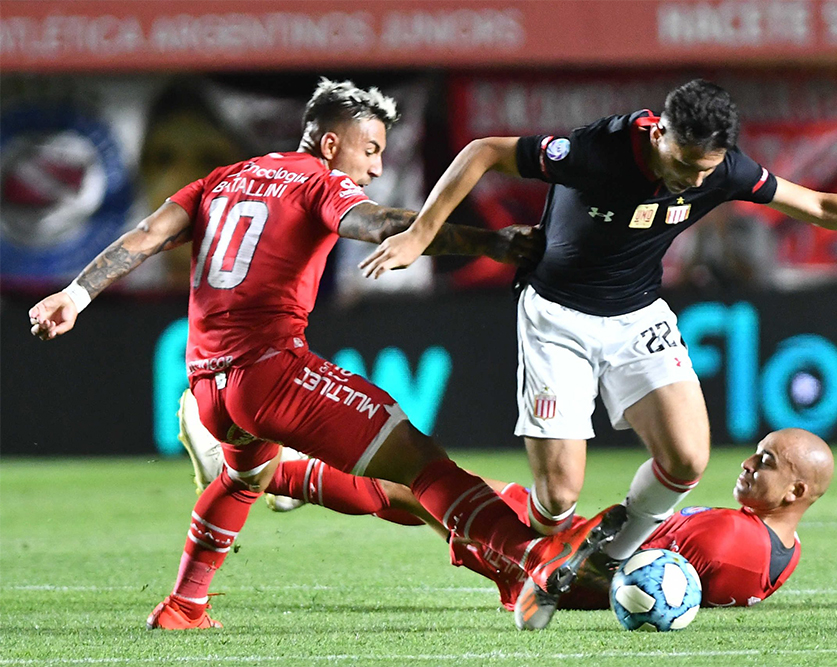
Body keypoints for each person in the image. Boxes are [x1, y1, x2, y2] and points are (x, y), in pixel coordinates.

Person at [28, 79, 627, 631]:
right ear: (332, 143)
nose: (376, 167)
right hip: (272, 373)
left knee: (243, 479)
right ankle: (535, 556)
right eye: (371, 150)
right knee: (421, 464)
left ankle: (184, 605)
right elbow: (379, 222)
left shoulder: (223, 178)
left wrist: (74, 295)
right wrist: (487, 241)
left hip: (208, 384)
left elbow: (145, 237)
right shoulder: (318, 180)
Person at [357, 78, 837, 629]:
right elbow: (484, 150)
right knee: (557, 498)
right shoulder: (599, 150)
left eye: (705, 170)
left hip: (638, 317)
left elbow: (820, 206)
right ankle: (540, 557)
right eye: (684, 164)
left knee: (687, 458)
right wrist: (420, 234)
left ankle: (605, 558)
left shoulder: (726, 170)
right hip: (557, 317)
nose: (693, 181)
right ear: (660, 133)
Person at [176, 400, 831, 613]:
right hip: (564, 552)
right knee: (420, 493)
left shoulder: (732, 541)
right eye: (757, 453)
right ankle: (281, 480)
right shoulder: (780, 550)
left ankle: (263, 473)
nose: (749, 463)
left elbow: (640, 587)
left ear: (797, 492)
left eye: (766, 462)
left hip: (551, 559)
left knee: (418, 483)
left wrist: (543, 570)